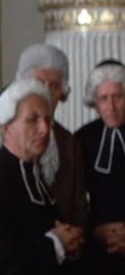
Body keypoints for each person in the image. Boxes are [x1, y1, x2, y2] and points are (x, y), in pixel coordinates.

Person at [0, 79, 85, 275]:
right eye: (33, 120)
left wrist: (70, 240)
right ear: (6, 128)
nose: (45, 129)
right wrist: (55, 244)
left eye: (47, 120)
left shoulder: (34, 176)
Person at [15, 44, 88, 228]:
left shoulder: (70, 143)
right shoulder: (7, 136)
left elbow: (79, 209)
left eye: (54, 85)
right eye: (40, 83)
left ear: (62, 92)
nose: (46, 92)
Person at [76, 59, 125, 275]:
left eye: (118, 97)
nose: (111, 106)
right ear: (95, 102)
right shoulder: (82, 139)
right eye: (104, 98)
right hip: (96, 250)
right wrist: (95, 232)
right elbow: (73, 199)